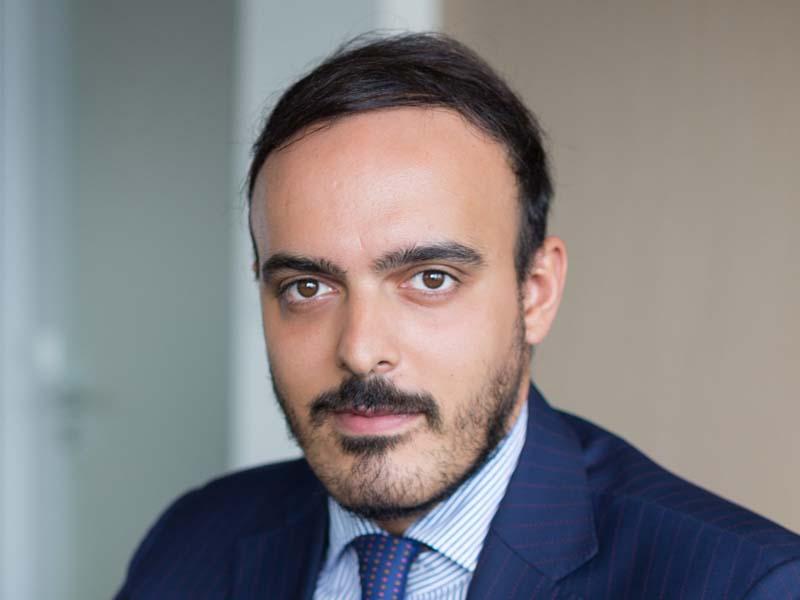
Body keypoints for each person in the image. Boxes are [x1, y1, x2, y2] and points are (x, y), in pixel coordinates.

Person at [115, 33, 800, 599]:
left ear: (535, 292)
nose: (360, 349)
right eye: (307, 287)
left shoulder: (745, 583)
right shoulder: (192, 541)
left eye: (430, 279)